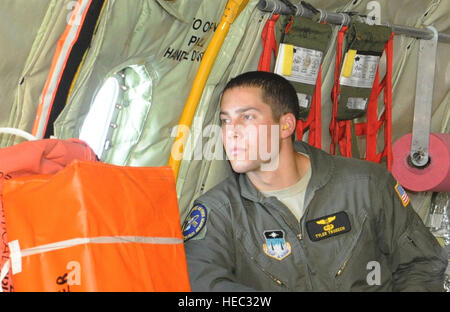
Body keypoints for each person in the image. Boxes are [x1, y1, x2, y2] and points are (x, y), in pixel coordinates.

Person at [181, 71, 447, 291]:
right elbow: (202, 286)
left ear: (285, 126)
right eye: (225, 121)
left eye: (247, 117)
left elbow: (421, 262)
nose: (231, 133)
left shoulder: (367, 185)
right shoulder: (217, 213)